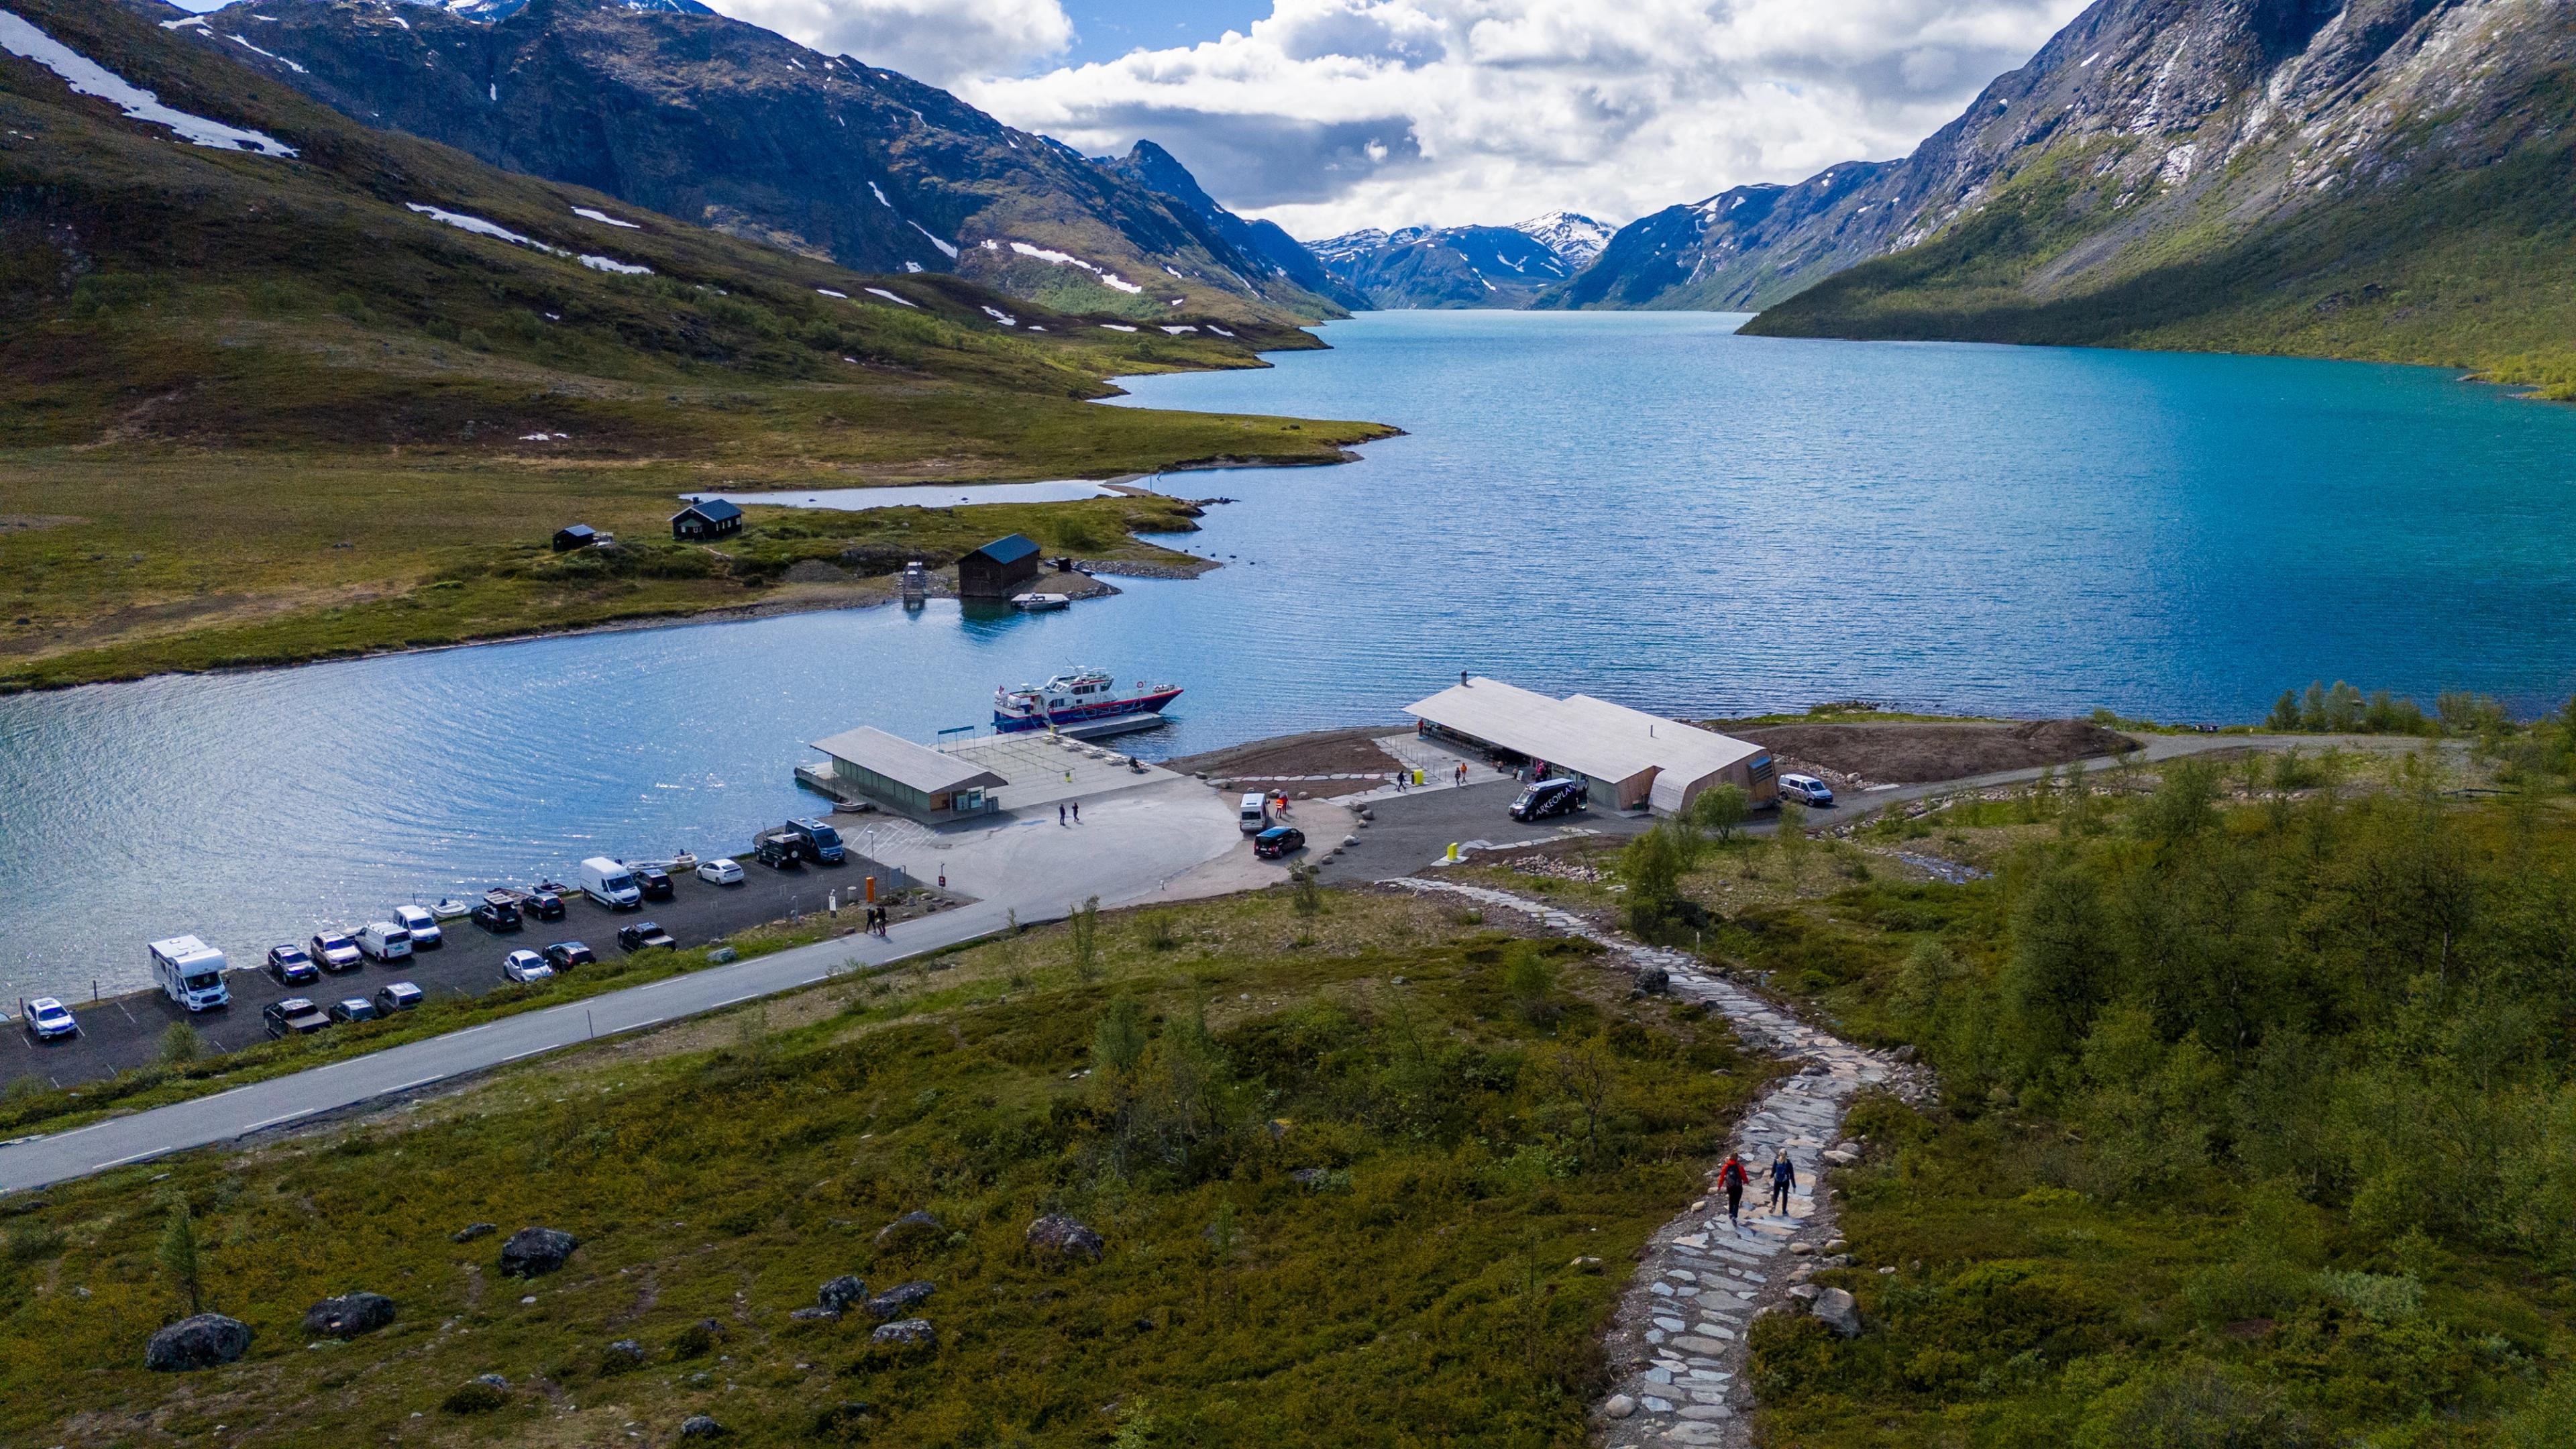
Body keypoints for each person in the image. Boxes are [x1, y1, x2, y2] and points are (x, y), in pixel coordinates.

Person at [1719, 1153, 1750, 1225]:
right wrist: (1746, 1182)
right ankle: (1734, 1217)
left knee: (1731, 1199)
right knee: (1736, 1202)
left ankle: (1730, 1213)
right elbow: (1744, 1176)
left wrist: (1719, 1186)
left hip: (1730, 1187)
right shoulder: (1739, 1167)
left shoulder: (1726, 1166)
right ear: (1737, 1159)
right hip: (1738, 1187)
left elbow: (1722, 1177)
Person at [1769, 1149, 1796, 1214]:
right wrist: (1794, 1186)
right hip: (1785, 1181)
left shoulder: (1776, 1162)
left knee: (1775, 1194)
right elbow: (1792, 1175)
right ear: (1786, 1155)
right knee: (1785, 1195)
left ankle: (1773, 1206)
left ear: (1779, 1154)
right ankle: (1784, 1210)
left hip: (1777, 1181)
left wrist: (1771, 1176)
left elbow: (1773, 1172)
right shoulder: (1789, 1163)